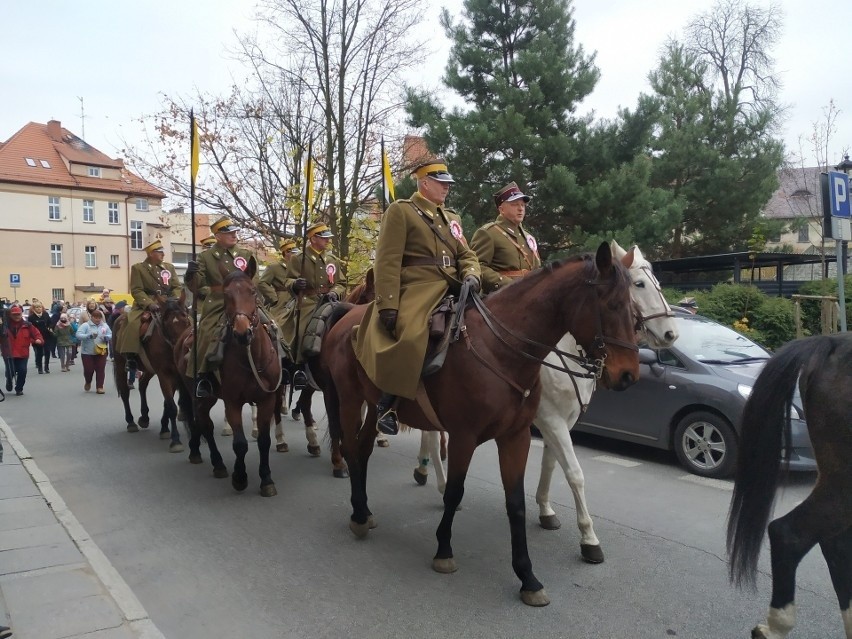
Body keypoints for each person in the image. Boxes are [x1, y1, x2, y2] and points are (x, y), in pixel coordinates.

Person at [353, 159, 481, 435]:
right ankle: (388, 402)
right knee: (412, 335)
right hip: (417, 288)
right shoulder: (402, 211)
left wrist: (472, 273)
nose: (447, 188)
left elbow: (466, 255)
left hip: (453, 285)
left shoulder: (452, 219)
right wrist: (388, 303)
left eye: (448, 183)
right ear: (424, 183)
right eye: (441, 182)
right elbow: (387, 260)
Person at [184, 215, 257, 397]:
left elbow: (255, 279)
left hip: (246, 302)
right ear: (217, 236)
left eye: (234, 232)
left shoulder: (246, 255)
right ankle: (203, 376)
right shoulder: (206, 257)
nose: (234, 235)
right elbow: (197, 285)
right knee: (206, 333)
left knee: (272, 328)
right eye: (229, 233)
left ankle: (283, 368)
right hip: (218, 302)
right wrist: (190, 274)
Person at [280, 223, 347, 388]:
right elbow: (288, 280)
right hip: (308, 301)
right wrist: (296, 284)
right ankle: (299, 367)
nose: (327, 240)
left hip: (331, 299)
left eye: (327, 237)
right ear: (313, 238)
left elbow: (341, 282)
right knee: (303, 328)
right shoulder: (298, 258)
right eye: (323, 237)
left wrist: (335, 292)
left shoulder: (332, 259)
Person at [118, 239, 181, 375]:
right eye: (160, 252)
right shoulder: (139, 268)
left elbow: (176, 286)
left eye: (162, 252)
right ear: (151, 253)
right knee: (133, 323)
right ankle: (131, 357)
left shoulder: (169, 267)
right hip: (147, 302)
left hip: (168, 302)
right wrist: (149, 303)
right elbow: (137, 290)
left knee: (186, 320)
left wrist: (175, 299)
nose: (163, 254)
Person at [470, 181, 541, 294]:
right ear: (501, 209)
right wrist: (508, 285)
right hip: (500, 299)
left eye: (522, 205)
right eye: (514, 204)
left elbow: (537, 270)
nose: (520, 209)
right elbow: (476, 267)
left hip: (529, 296)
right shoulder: (489, 233)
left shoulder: (528, 237)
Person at [258, 236, 300, 330]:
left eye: (296, 253)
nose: (295, 255)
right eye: (292, 253)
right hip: (282, 301)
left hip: (298, 296)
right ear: (286, 253)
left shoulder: (298, 266)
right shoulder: (274, 267)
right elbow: (262, 283)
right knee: (279, 325)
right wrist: (274, 298)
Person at [1, 304, 43, 395]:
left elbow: (36, 334)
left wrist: (38, 339)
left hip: (22, 353)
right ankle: (9, 380)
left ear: (21, 314)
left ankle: (19, 388)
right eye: (14, 314)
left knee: (22, 370)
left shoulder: (27, 325)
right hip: (8, 353)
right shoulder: (4, 327)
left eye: (18, 314)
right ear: (10, 315)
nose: (17, 316)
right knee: (10, 371)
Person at [76, 309, 112, 393]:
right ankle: (88, 381)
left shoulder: (105, 326)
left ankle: (100, 387)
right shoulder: (86, 325)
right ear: (91, 317)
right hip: (87, 352)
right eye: (95, 317)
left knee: (100, 369)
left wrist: (107, 337)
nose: (97, 319)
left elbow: (110, 334)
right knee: (89, 370)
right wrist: (89, 336)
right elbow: (78, 335)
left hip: (101, 351)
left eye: (99, 318)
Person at [27, 301, 54, 374]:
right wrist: (33, 338)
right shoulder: (31, 317)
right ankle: (40, 367)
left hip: (46, 336)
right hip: (37, 337)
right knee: (39, 353)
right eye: (37, 307)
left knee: (47, 351)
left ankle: (46, 367)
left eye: (40, 307)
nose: (39, 308)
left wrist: (50, 328)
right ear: (34, 309)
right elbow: (30, 328)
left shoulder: (45, 314)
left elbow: (50, 323)